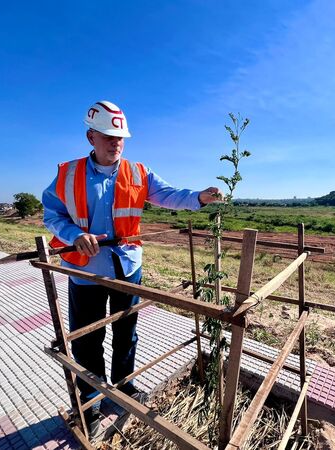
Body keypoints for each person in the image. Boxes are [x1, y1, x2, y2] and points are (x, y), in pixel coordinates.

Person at [42, 100, 221, 435]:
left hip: (127, 266)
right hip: (85, 270)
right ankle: (90, 403)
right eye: (108, 135)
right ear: (90, 136)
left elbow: (168, 195)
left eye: (120, 136)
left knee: (127, 333)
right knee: (87, 340)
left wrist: (199, 197)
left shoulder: (139, 172)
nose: (116, 141)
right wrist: (74, 234)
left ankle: (124, 388)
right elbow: (52, 214)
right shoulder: (67, 173)